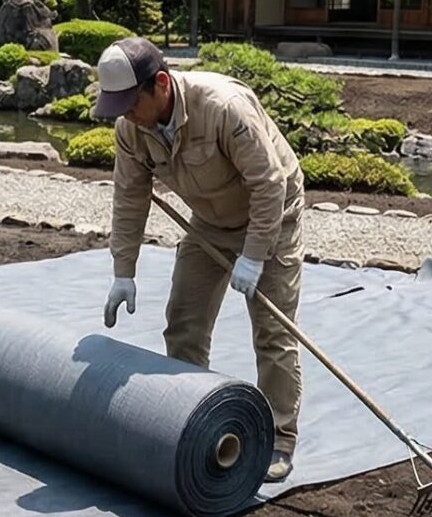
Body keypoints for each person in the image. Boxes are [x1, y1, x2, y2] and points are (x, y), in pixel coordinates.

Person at [95, 36, 306, 481]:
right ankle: (195, 421)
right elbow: (130, 197)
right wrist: (123, 271)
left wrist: (253, 256)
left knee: (273, 333)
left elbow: (269, 185)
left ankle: (279, 439)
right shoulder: (130, 128)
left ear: (163, 85)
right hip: (209, 221)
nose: (126, 114)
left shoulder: (224, 107)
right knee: (184, 322)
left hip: (272, 215)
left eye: (132, 102)